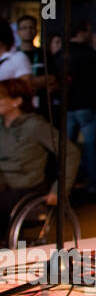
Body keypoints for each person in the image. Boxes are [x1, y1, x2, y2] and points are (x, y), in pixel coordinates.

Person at [0, 78, 79, 234]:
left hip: (26, 187)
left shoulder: (35, 126)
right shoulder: (1, 126)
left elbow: (70, 153)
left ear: (16, 101)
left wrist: (59, 190)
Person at [52, 21, 96, 198]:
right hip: (86, 105)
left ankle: (64, 184)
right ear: (82, 32)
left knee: (66, 148)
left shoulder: (61, 54)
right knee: (90, 147)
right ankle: (93, 184)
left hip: (67, 106)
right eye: (88, 31)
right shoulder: (90, 54)